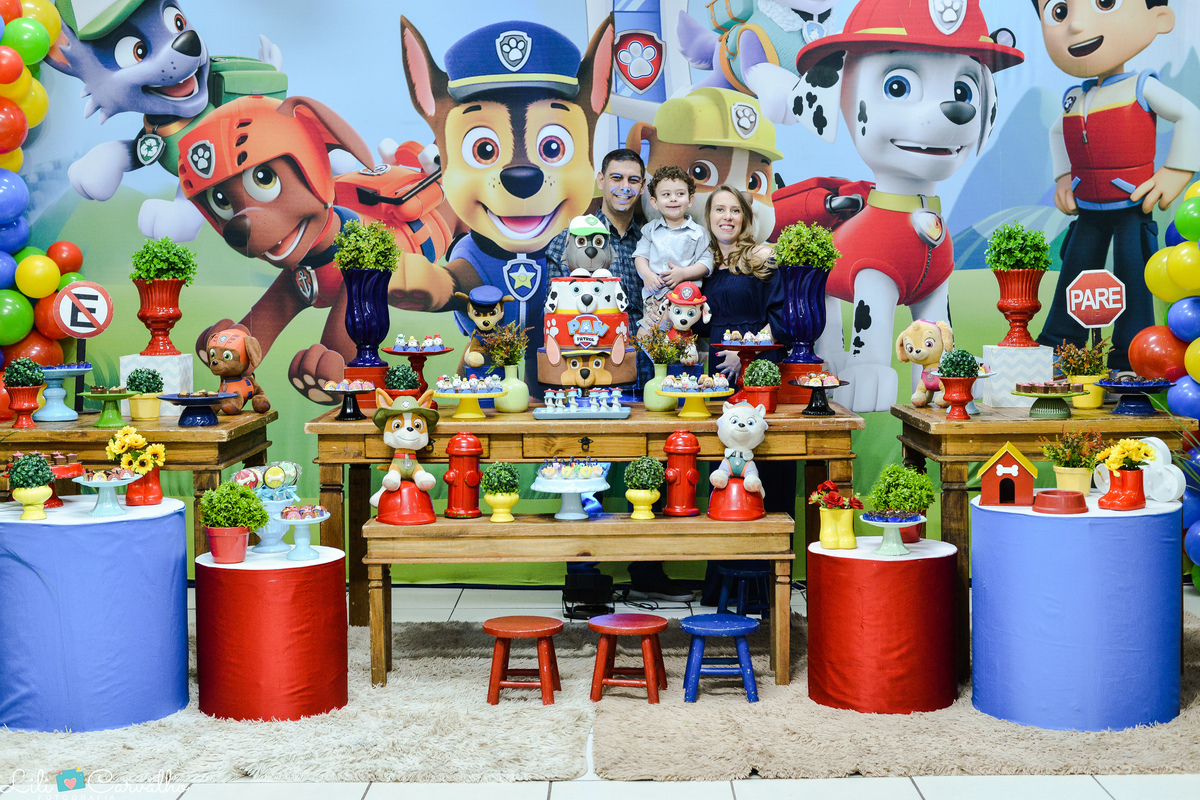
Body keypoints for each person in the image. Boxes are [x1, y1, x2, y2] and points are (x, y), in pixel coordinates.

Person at [545, 149, 695, 604]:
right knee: (584, 467)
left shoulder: (656, 236)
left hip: (649, 369)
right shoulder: (570, 239)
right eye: (617, 178)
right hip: (588, 376)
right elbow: (558, 312)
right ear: (601, 179)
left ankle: (648, 570)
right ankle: (583, 576)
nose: (625, 187)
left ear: (643, 184)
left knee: (648, 466)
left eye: (634, 179)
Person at [1033, 0, 1200, 371]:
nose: (1076, 26)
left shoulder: (1142, 86)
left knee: (1134, 275)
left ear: (1160, 17)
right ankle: (1060, 347)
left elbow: (1190, 115)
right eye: (1059, 12)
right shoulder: (1074, 96)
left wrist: (1175, 171)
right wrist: (1063, 177)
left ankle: (1131, 354)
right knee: (1075, 274)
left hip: (1130, 203)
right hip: (1088, 206)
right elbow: (1057, 131)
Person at [700, 185, 793, 607]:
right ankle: (722, 582)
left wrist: (748, 353)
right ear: (709, 216)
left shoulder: (761, 260)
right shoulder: (704, 264)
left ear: (745, 217)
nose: (726, 217)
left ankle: (760, 586)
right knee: (723, 469)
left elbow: (781, 317)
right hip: (714, 375)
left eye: (733, 210)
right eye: (719, 210)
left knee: (764, 465)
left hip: (753, 370)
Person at [634, 166, 714, 328]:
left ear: (690, 200)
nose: (673, 199)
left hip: (684, 299)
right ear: (654, 203)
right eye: (666, 195)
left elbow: (706, 263)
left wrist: (683, 273)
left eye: (680, 194)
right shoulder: (650, 230)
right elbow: (640, 256)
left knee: (676, 335)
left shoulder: (698, 233)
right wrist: (647, 274)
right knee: (648, 335)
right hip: (654, 296)